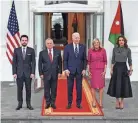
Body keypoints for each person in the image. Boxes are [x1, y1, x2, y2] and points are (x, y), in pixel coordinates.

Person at [107, 35, 133, 109]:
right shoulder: (114, 49)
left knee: (123, 85)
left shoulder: (128, 50)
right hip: (116, 68)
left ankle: (122, 101)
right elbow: (113, 60)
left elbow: (130, 60)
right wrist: (111, 69)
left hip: (124, 68)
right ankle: (117, 101)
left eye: (122, 40)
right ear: (118, 42)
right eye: (120, 40)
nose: (121, 41)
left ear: (124, 41)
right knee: (116, 85)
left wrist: (131, 69)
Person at [63, 32, 87, 109]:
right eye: (75, 37)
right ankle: (69, 103)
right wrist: (66, 69)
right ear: (72, 38)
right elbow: (65, 60)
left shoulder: (83, 47)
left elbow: (84, 59)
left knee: (79, 88)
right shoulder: (67, 47)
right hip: (70, 71)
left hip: (80, 71)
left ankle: (78, 103)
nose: (77, 39)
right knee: (70, 88)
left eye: (78, 38)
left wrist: (84, 69)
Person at [12, 35, 36, 110]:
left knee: (28, 89)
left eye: (25, 40)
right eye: (23, 40)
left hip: (28, 74)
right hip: (19, 73)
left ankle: (28, 104)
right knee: (19, 89)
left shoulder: (31, 50)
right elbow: (14, 62)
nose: (24, 41)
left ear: (27, 41)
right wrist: (14, 73)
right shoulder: (16, 50)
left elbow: (33, 62)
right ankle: (20, 104)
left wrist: (32, 73)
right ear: (20, 41)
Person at [38, 38, 62, 109]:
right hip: (46, 74)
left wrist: (60, 72)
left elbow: (60, 63)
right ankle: (48, 102)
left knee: (54, 89)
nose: (49, 44)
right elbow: (40, 64)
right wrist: (41, 73)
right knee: (47, 89)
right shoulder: (42, 53)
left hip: (55, 73)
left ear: (53, 44)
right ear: (46, 44)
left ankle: (53, 102)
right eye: (48, 43)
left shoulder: (57, 52)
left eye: (50, 43)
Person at [88, 38, 107, 108]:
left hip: (101, 71)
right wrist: (88, 71)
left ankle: (101, 102)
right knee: (93, 86)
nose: (96, 44)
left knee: (101, 87)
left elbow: (105, 61)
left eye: (97, 42)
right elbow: (88, 61)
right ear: (93, 44)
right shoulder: (90, 51)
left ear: (99, 43)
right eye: (95, 43)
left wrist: (105, 71)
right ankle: (93, 101)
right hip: (93, 70)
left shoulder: (103, 50)